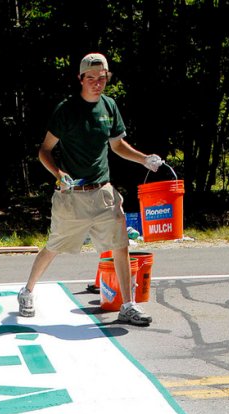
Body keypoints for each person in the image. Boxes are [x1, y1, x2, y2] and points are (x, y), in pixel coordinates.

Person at [18, 52, 163, 327]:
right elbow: (44, 150)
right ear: (81, 79)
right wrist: (58, 173)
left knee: (120, 246)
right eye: (91, 78)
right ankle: (27, 292)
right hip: (72, 197)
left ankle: (127, 305)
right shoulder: (66, 110)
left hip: (103, 193)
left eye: (102, 78)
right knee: (54, 246)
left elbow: (117, 145)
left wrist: (144, 159)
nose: (97, 83)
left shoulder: (109, 107)